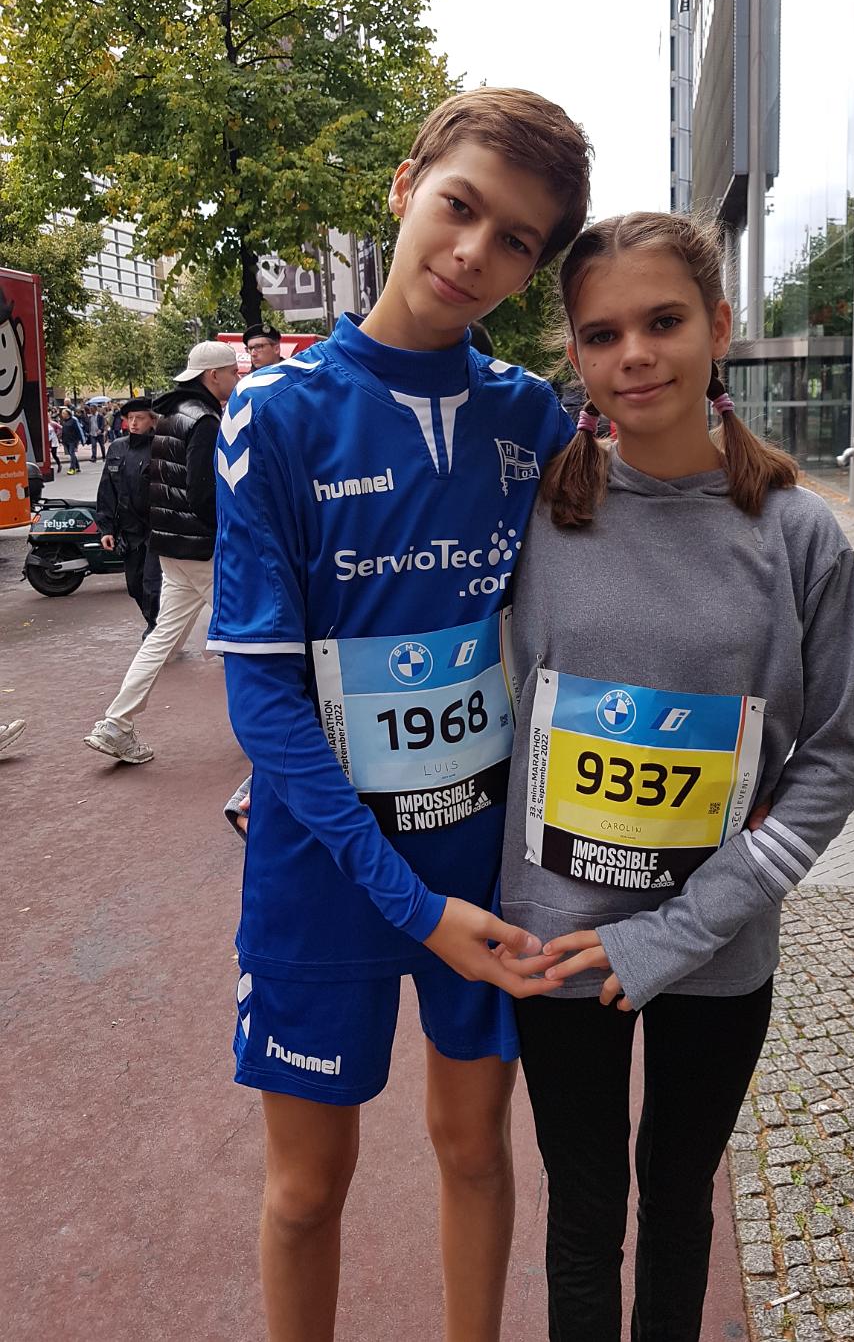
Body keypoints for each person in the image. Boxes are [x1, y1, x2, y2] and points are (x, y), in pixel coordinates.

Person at [206, 86, 591, 1342]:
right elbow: (263, 703)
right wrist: (408, 903)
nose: (475, 251)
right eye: (460, 206)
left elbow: (642, 538)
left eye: (516, 240)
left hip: (482, 863)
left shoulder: (532, 417)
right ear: (406, 186)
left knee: (475, 1152)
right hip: (325, 869)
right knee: (307, 1190)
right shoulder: (275, 413)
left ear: (534, 267)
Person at [495, 212, 854, 1342]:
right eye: (602, 334)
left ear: (718, 326)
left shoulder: (799, 536)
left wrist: (682, 927)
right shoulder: (535, 517)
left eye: (663, 323)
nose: (635, 356)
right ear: (574, 352)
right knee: (582, 1212)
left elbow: (834, 760)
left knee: (677, 1199)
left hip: (716, 947)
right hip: (556, 945)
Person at [83, 341, 239, 764]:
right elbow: (204, 494)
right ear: (213, 376)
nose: (236, 377)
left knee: (161, 639)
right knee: (250, 636)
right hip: (200, 548)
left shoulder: (171, 414)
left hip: (170, 547)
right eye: (232, 371)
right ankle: (283, 726)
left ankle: (116, 723)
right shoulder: (204, 419)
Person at [95, 397, 162, 636]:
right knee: (134, 584)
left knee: (153, 584)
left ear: (152, 420)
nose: (133, 423)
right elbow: (107, 490)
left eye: (139, 418)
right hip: (129, 530)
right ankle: (154, 623)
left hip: (155, 528)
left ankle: (155, 629)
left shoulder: (161, 446)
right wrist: (106, 529)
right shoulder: (117, 448)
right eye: (130, 418)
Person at [60, 408, 82, 474]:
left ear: (68, 414)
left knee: (72, 453)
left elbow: (78, 431)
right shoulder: (64, 421)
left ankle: (72, 468)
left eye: (64, 413)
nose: (62, 415)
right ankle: (77, 467)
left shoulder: (73, 421)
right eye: (62, 413)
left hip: (72, 440)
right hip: (66, 440)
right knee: (71, 454)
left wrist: (78, 441)